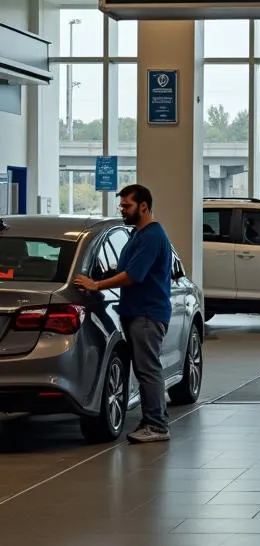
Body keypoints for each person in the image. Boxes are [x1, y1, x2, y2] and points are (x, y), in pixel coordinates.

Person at [74, 184, 172, 444]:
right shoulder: (138, 235)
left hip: (147, 315)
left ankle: (157, 426)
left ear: (143, 206)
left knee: (148, 370)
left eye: (127, 205)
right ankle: (152, 419)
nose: (123, 210)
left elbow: (132, 275)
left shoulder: (152, 236)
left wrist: (97, 285)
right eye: (121, 205)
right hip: (136, 312)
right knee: (144, 370)